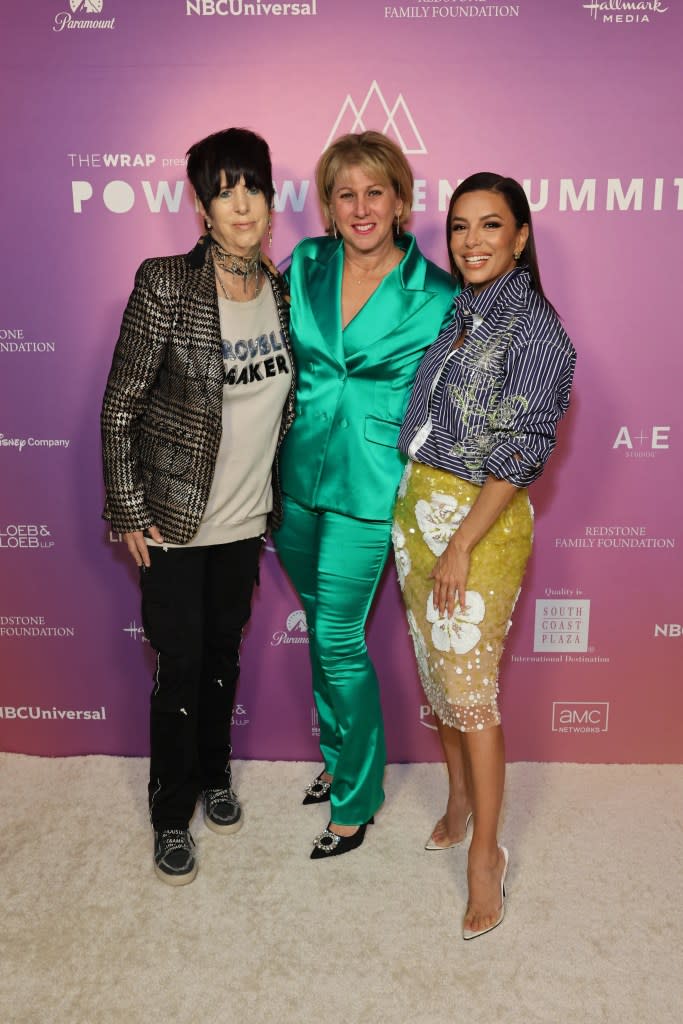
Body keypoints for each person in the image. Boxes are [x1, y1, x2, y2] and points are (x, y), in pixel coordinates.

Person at [101, 127, 295, 885]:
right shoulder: (165, 284)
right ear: (199, 205)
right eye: (223, 189)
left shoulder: (280, 290)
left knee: (222, 657)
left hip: (245, 521)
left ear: (270, 198)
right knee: (179, 668)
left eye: (252, 186)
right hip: (175, 524)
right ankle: (170, 813)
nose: (241, 203)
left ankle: (214, 773)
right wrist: (127, 507)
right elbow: (120, 406)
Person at [394, 172, 575, 937]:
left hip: (478, 525)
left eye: (490, 226)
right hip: (417, 513)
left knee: (470, 694)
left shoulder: (536, 331)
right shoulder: (463, 311)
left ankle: (485, 858)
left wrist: (463, 541)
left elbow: (522, 447)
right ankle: (459, 801)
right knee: (437, 680)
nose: (470, 241)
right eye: (460, 226)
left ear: (520, 237)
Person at [273, 131, 456, 859]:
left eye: (373, 191)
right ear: (326, 204)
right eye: (344, 193)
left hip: (370, 487)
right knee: (320, 624)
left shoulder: (437, 292)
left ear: (400, 200)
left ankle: (357, 795)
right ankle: (340, 753)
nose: (359, 207)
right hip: (292, 480)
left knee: (338, 639)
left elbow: (448, 400)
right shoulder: (306, 263)